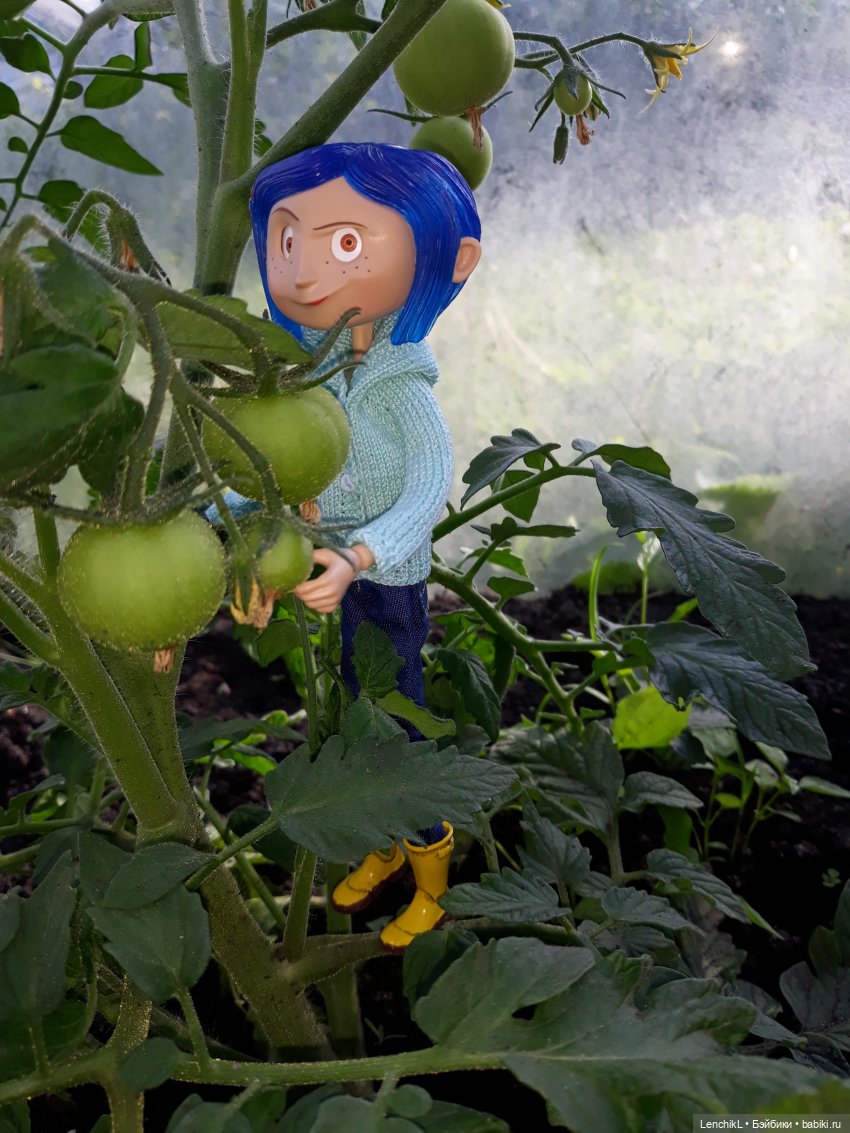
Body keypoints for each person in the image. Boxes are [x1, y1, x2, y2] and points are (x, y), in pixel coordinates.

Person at [245, 143, 481, 950]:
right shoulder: (316, 373)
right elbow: (282, 461)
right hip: (337, 569)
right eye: (287, 242)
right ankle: (384, 846)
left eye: (345, 243)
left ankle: (431, 882)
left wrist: (359, 556)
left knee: (397, 730)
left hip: (387, 585)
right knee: (360, 716)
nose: (306, 272)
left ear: (450, 261)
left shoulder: (403, 386)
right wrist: (219, 504)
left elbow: (427, 490)